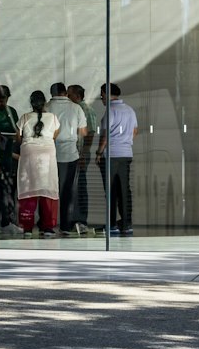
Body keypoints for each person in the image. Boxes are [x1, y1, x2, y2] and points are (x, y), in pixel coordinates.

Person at [16, 90, 60, 237]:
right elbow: (55, 135)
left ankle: (27, 227)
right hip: (48, 155)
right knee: (48, 188)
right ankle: (47, 227)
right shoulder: (53, 118)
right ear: (44, 103)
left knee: (28, 188)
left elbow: (18, 137)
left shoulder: (24, 117)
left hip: (29, 153)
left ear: (31, 103)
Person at [96, 83, 138, 237]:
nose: (101, 98)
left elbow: (105, 136)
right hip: (126, 154)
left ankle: (112, 224)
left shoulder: (110, 111)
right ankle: (127, 224)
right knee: (124, 190)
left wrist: (98, 152)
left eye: (101, 95)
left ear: (106, 94)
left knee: (111, 191)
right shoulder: (130, 110)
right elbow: (135, 131)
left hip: (111, 155)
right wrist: (125, 142)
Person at [47, 82, 86, 235]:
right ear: (65, 93)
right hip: (71, 154)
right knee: (68, 191)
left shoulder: (46, 107)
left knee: (50, 190)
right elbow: (83, 132)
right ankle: (65, 226)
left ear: (52, 93)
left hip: (50, 153)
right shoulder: (76, 108)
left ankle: (48, 225)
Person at [68, 84, 98, 234]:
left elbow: (90, 134)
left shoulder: (85, 110)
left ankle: (80, 220)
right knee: (74, 186)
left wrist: (83, 153)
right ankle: (73, 219)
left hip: (80, 155)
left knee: (79, 187)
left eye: (69, 95)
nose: (67, 98)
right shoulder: (74, 110)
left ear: (77, 96)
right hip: (74, 154)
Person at [0, 84, 20, 232]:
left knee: (8, 190)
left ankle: (8, 220)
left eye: (5, 100)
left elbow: (16, 133)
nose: (2, 103)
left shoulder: (11, 112)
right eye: (0, 100)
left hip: (7, 157)